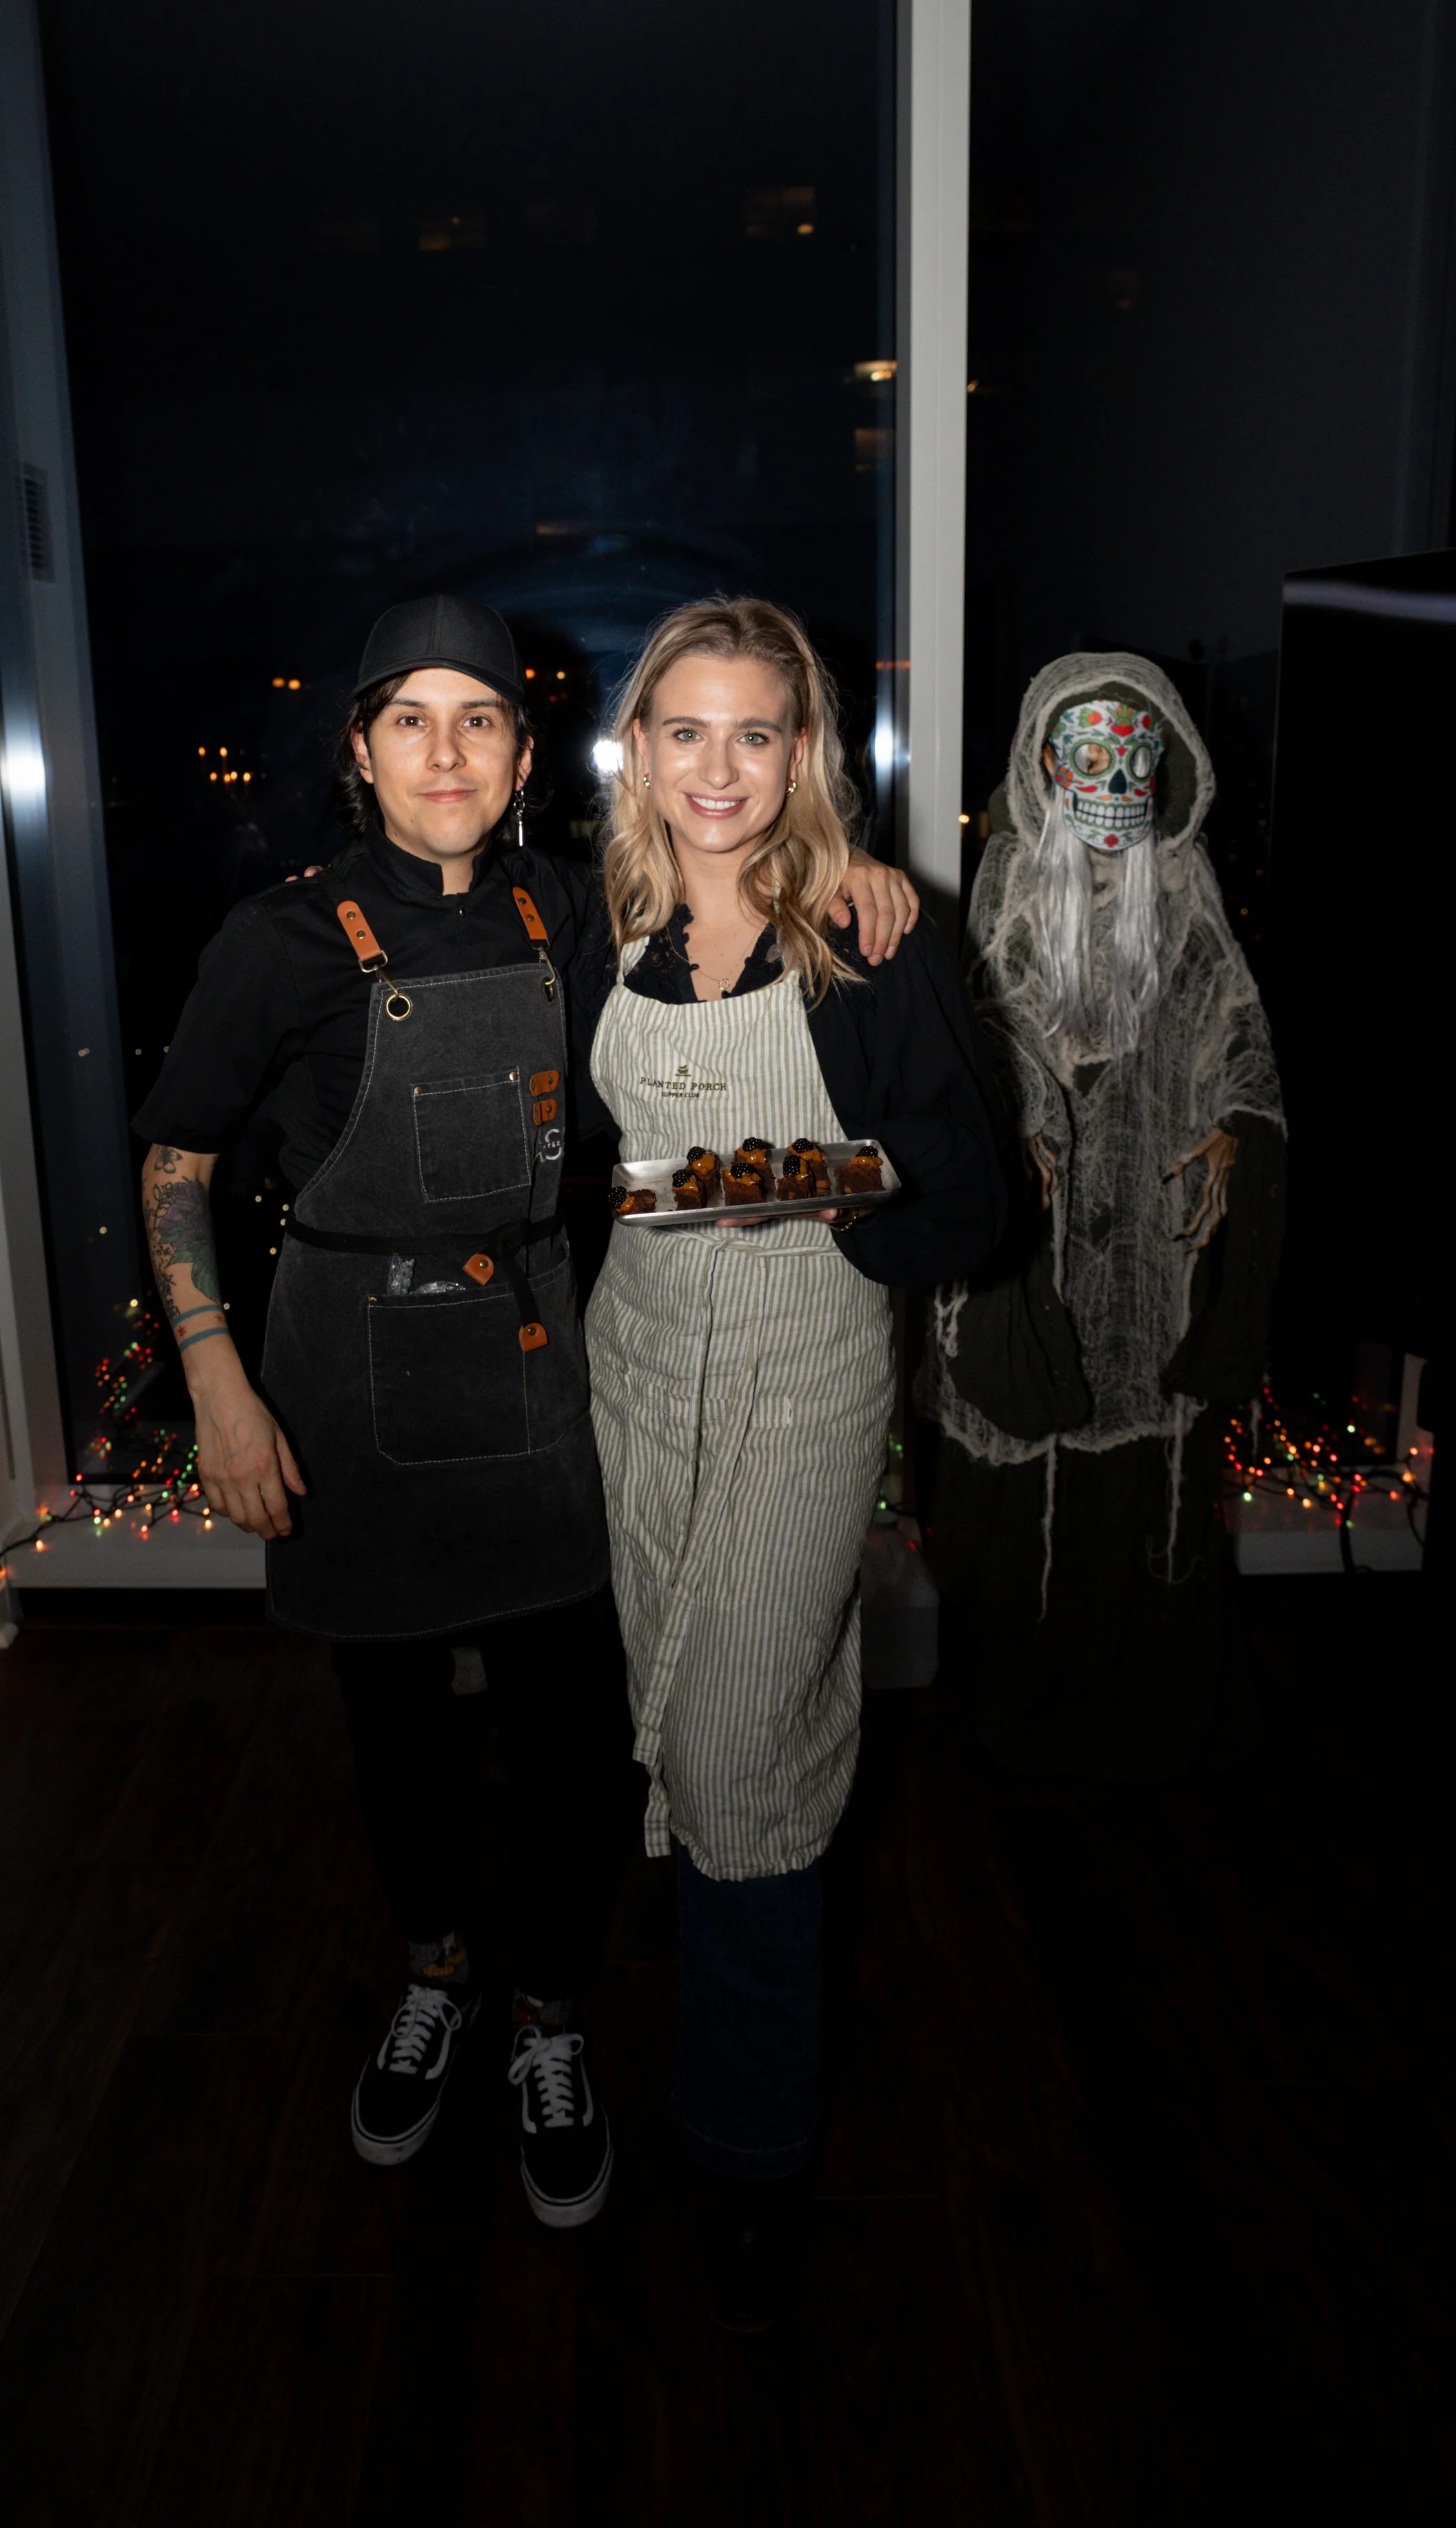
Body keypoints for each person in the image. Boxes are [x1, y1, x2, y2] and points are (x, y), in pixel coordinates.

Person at [132, 594, 917, 2231]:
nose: (444, 750)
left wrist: (844, 878)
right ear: (357, 751)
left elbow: (721, 914)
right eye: (407, 717)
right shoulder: (271, 942)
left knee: (571, 1720)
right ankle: (434, 1978)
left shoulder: (573, 911)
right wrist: (212, 1377)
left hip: (536, 1369)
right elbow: (179, 1163)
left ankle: (550, 2018)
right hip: (338, 1378)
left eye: (477, 718)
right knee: (395, 1721)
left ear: (519, 753)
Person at [574, 596, 1007, 2325]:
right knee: (671, 1722)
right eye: (687, 729)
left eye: (757, 732)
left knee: (742, 1751)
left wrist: (767, 1187)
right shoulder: (584, 929)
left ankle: (753, 2150)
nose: (720, 767)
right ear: (639, 750)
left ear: (803, 751)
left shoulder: (867, 940)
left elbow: (974, 1206)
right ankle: (717, 2035)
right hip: (633, 1376)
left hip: (803, 1380)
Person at [918, 653, 1285, 1779]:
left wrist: (1237, 1125)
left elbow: (1244, 1047)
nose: (1115, 774)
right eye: (1089, 751)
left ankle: (1147, 1731)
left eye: (1136, 751)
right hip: (1045, 1246)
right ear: (1043, 764)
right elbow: (983, 1034)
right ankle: (1018, 1730)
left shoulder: (1191, 900)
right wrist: (1012, 1125)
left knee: (1142, 1494)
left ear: (1167, 764)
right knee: (1024, 1490)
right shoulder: (1007, 891)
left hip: (1156, 1252)